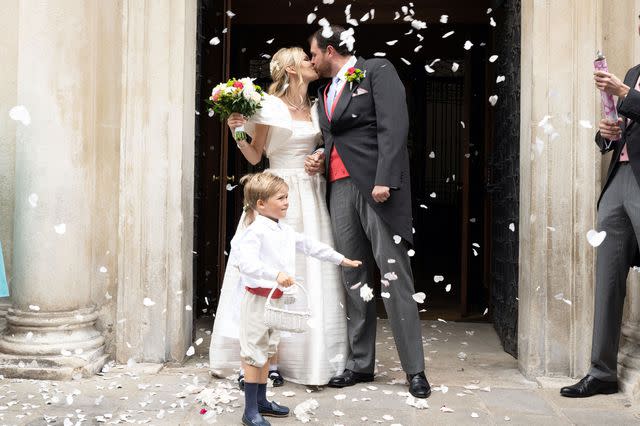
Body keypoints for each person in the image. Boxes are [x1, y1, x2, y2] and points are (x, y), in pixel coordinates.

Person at [209, 47, 350, 387]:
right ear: (290, 70)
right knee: (271, 268)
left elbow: (327, 143)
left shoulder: (318, 107)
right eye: (304, 58)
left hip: (311, 195)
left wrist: (319, 153)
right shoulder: (267, 107)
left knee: (309, 270)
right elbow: (255, 156)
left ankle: (311, 355)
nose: (311, 62)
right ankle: (266, 359)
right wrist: (238, 131)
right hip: (277, 192)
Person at [305, 25, 431, 398]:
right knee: (353, 278)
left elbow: (395, 127)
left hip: (377, 189)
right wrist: (320, 157)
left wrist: (386, 179)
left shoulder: (376, 70)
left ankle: (415, 371)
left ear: (330, 50)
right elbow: (335, 139)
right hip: (339, 189)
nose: (311, 61)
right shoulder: (325, 92)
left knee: (394, 278)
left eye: (313, 54)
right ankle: (361, 364)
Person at [231, 172, 361, 426]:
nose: (287, 202)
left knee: (268, 350)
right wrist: (275, 274)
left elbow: (311, 245)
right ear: (261, 204)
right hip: (257, 301)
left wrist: (340, 259)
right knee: (253, 353)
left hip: (275, 301)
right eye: (281, 198)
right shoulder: (254, 232)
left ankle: (261, 401)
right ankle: (249, 410)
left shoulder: (284, 230)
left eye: (287, 197)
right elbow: (246, 264)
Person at [560, 21, 640, 398]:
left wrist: (623, 92)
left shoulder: (628, 82)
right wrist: (606, 133)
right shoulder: (634, 72)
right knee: (607, 278)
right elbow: (624, 123)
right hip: (618, 179)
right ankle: (602, 373)